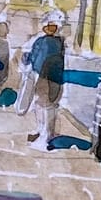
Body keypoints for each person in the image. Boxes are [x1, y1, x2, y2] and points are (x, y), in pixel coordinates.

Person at [23, 15, 66, 149]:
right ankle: (46, 133)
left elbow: (32, 58)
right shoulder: (60, 43)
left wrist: (27, 60)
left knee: (42, 105)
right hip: (56, 77)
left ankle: (44, 134)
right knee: (49, 105)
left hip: (43, 76)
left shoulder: (42, 42)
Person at [0, 17, 19, 109]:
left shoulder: (4, 43)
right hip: (1, 67)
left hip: (2, 67)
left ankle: (0, 97)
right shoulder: (3, 43)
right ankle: (0, 96)